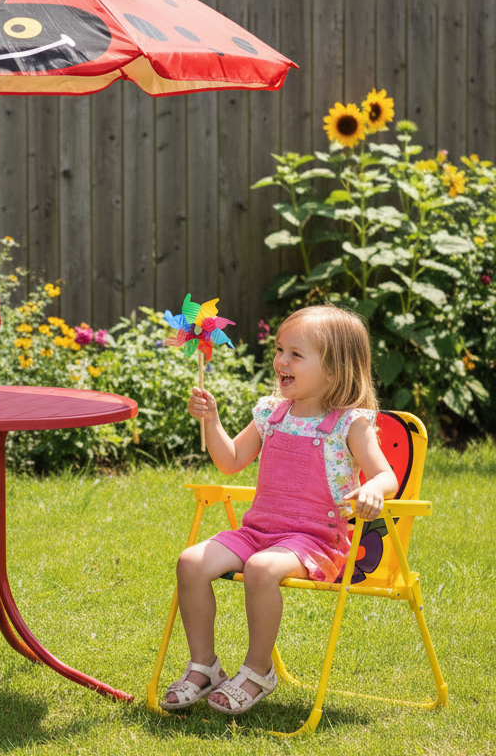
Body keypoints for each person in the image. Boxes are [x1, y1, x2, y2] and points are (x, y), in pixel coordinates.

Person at [160, 304, 397, 715]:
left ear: (333, 370)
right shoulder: (272, 413)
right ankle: (204, 665)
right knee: (190, 562)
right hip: (259, 531)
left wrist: (375, 488)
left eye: (295, 354)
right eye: (280, 349)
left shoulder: (350, 424)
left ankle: (257, 670)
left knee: (262, 569)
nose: (280, 361)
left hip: (316, 539)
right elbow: (231, 460)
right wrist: (212, 419)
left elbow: (386, 475)